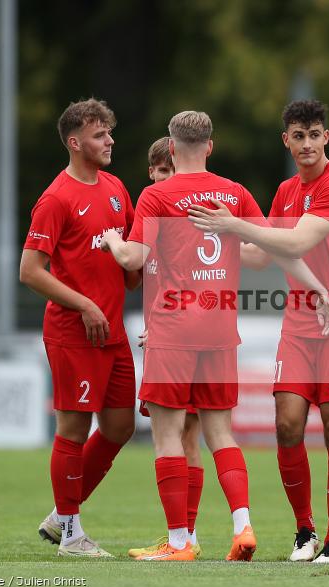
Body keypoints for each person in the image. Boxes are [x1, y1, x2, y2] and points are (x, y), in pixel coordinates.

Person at [101, 111, 329, 562]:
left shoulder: (156, 194)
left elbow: (133, 258)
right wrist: (316, 287)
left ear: (171, 148)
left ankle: (178, 542)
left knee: (168, 436)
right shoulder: (235, 193)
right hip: (221, 329)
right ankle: (242, 526)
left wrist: (112, 239)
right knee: (221, 434)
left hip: (172, 329)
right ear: (210, 146)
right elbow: (268, 254)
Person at [187, 99, 329, 564]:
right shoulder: (287, 191)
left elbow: (296, 242)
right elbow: (265, 255)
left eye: (314, 134)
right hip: (298, 324)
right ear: (285, 140)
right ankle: (305, 533)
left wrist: (234, 223)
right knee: (287, 424)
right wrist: (205, 243)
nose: (306, 143)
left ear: (326, 137)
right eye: (298, 135)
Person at [19, 98, 140, 558]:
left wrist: (137, 266)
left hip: (112, 332)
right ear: (75, 143)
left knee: (119, 427)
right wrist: (85, 302)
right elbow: (30, 270)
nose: (109, 141)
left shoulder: (115, 188)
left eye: (109, 132)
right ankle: (70, 533)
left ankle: (60, 514)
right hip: (74, 331)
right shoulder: (56, 198)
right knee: (72, 429)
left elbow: (128, 258)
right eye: (98, 135)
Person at [126, 137, 207, 559]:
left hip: (176, 337)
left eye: (170, 170)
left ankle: (181, 538)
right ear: (152, 172)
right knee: (186, 435)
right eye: (159, 171)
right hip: (174, 333)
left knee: (177, 436)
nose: (165, 178)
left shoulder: (174, 217)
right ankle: (186, 537)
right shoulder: (152, 216)